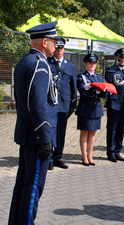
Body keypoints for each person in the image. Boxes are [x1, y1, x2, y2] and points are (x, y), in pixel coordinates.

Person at [8, 22, 59, 225]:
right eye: (54, 41)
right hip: (37, 137)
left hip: (28, 134)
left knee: (23, 184)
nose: (56, 45)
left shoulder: (26, 61)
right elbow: (38, 105)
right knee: (33, 187)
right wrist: (44, 138)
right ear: (44, 41)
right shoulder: (40, 64)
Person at [47, 37, 77, 170]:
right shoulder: (47, 63)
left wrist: (73, 104)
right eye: (57, 48)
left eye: (62, 48)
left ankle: (58, 157)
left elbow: (73, 87)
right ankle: (49, 158)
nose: (59, 50)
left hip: (64, 105)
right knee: (50, 131)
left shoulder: (70, 66)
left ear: (64, 49)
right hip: (51, 104)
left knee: (61, 133)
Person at [105, 48, 124, 162]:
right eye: (121, 58)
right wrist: (115, 65)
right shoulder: (111, 70)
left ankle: (118, 151)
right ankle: (111, 152)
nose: (123, 60)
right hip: (114, 104)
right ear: (117, 58)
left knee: (121, 130)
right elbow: (108, 78)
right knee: (112, 129)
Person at [76, 53, 106, 166]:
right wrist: (93, 89)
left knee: (93, 133)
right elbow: (82, 93)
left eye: (94, 63)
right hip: (85, 107)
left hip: (96, 107)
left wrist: (104, 91)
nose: (92, 65)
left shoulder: (99, 77)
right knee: (84, 132)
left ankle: (90, 155)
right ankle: (84, 156)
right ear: (85, 64)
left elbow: (102, 94)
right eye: (90, 63)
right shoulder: (81, 77)